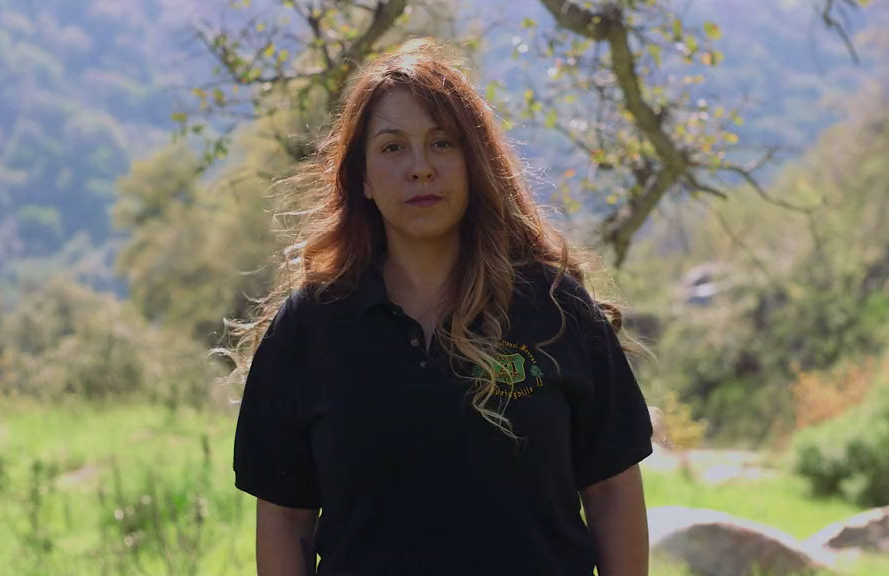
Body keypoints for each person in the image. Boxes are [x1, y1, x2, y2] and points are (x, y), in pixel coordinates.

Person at [231, 38, 654, 576]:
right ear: (360, 176)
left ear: (475, 162)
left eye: (442, 143)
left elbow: (613, 486)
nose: (420, 168)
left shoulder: (554, 310)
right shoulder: (311, 326)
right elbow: (286, 517)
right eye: (392, 147)